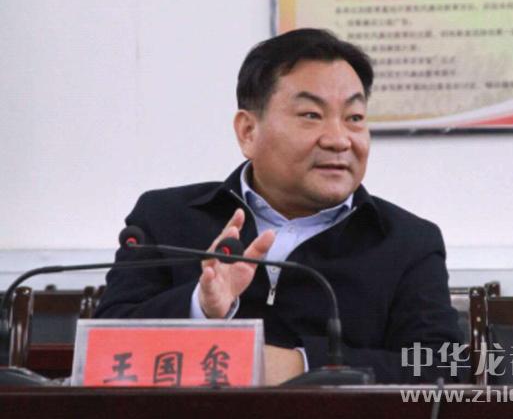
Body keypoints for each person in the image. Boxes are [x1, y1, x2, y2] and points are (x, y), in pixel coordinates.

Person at [95, 28, 462, 384]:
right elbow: (105, 348)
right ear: (248, 132)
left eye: (354, 118)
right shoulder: (166, 217)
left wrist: (303, 365)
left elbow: (445, 364)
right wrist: (200, 307)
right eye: (311, 115)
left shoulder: (407, 242)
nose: (339, 140)